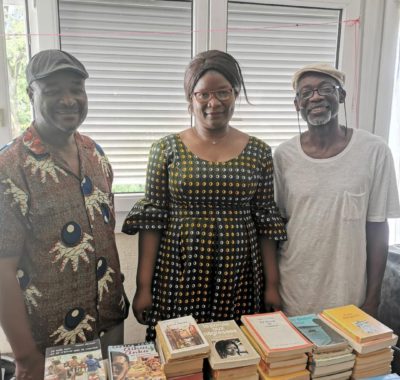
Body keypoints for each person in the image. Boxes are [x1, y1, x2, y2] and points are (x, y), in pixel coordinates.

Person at [122, 50, 286, 339]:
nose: (214, 103)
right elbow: (152, 224)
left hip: (239, 275)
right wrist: (143, 287)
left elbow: (266, 224)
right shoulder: (166, 149)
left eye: (223, 92)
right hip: (178, 270)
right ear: (190, 99)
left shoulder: (260, 151)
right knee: (181, 353)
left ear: (235, 94)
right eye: (203, 95)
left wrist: (272, 284)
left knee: (233, 351)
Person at [0, 49, 128, 380]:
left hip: (110, 323)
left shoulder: (95, 152)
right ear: (31, 94)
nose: (69, 100)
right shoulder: (9, 168)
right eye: (54, 90)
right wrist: (25, 355)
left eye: (76, 88)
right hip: (49, 342)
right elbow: (1, 268)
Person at [274, 63, 400, 318]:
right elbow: (276, 226)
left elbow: (377, 226)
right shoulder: (283, 156)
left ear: (341, 96)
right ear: (297, 104)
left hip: (349, 294)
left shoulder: (374, 151)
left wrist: (373, 296)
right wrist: (273, 286)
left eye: (325, 88)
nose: (316, 96)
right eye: (306, 93)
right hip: (294, 290)